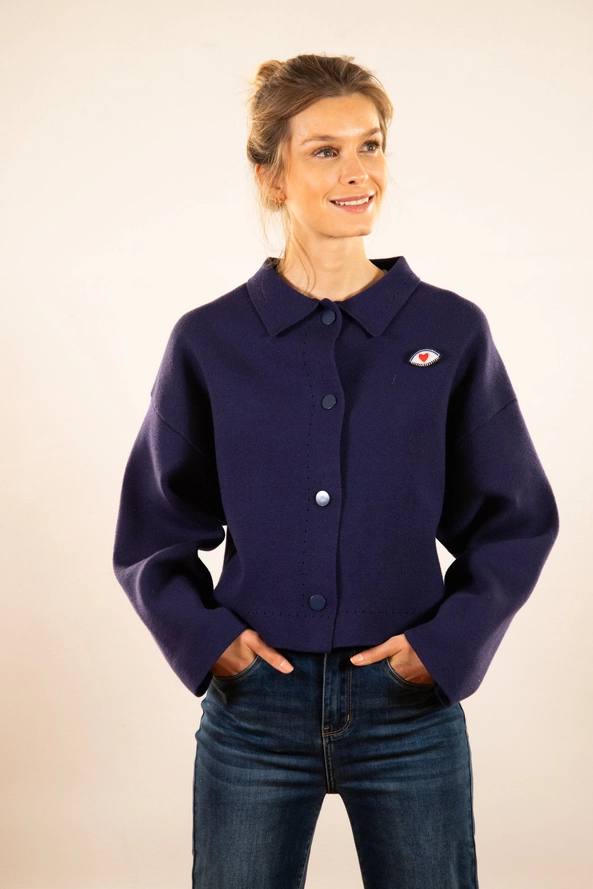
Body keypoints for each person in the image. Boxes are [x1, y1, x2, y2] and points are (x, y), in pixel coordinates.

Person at [112, 53, 560, 889]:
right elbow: (153, 531)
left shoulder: (449, 331)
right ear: (271, 175)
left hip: (409, 708)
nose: (358, 172)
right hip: (254, 710)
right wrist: (211, 644)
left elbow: (515, 520)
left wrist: (442, 647)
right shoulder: (209, 340)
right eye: (325, 150)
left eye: (370, 145)